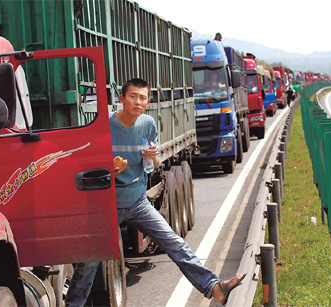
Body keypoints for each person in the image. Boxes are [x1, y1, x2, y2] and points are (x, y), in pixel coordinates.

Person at [65, 78, 246, 306]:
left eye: (142, 98)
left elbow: (153, 164)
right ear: (121, 99)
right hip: (108, 204)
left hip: (138, 202)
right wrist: (109, 169)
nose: (137, 102)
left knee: (174, 242)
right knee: (89, 263)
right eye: (132, 96)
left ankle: (214, 287)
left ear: (148, 102)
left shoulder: (148, 124)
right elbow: (88, 165)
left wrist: (153, 158)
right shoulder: (104, 127)